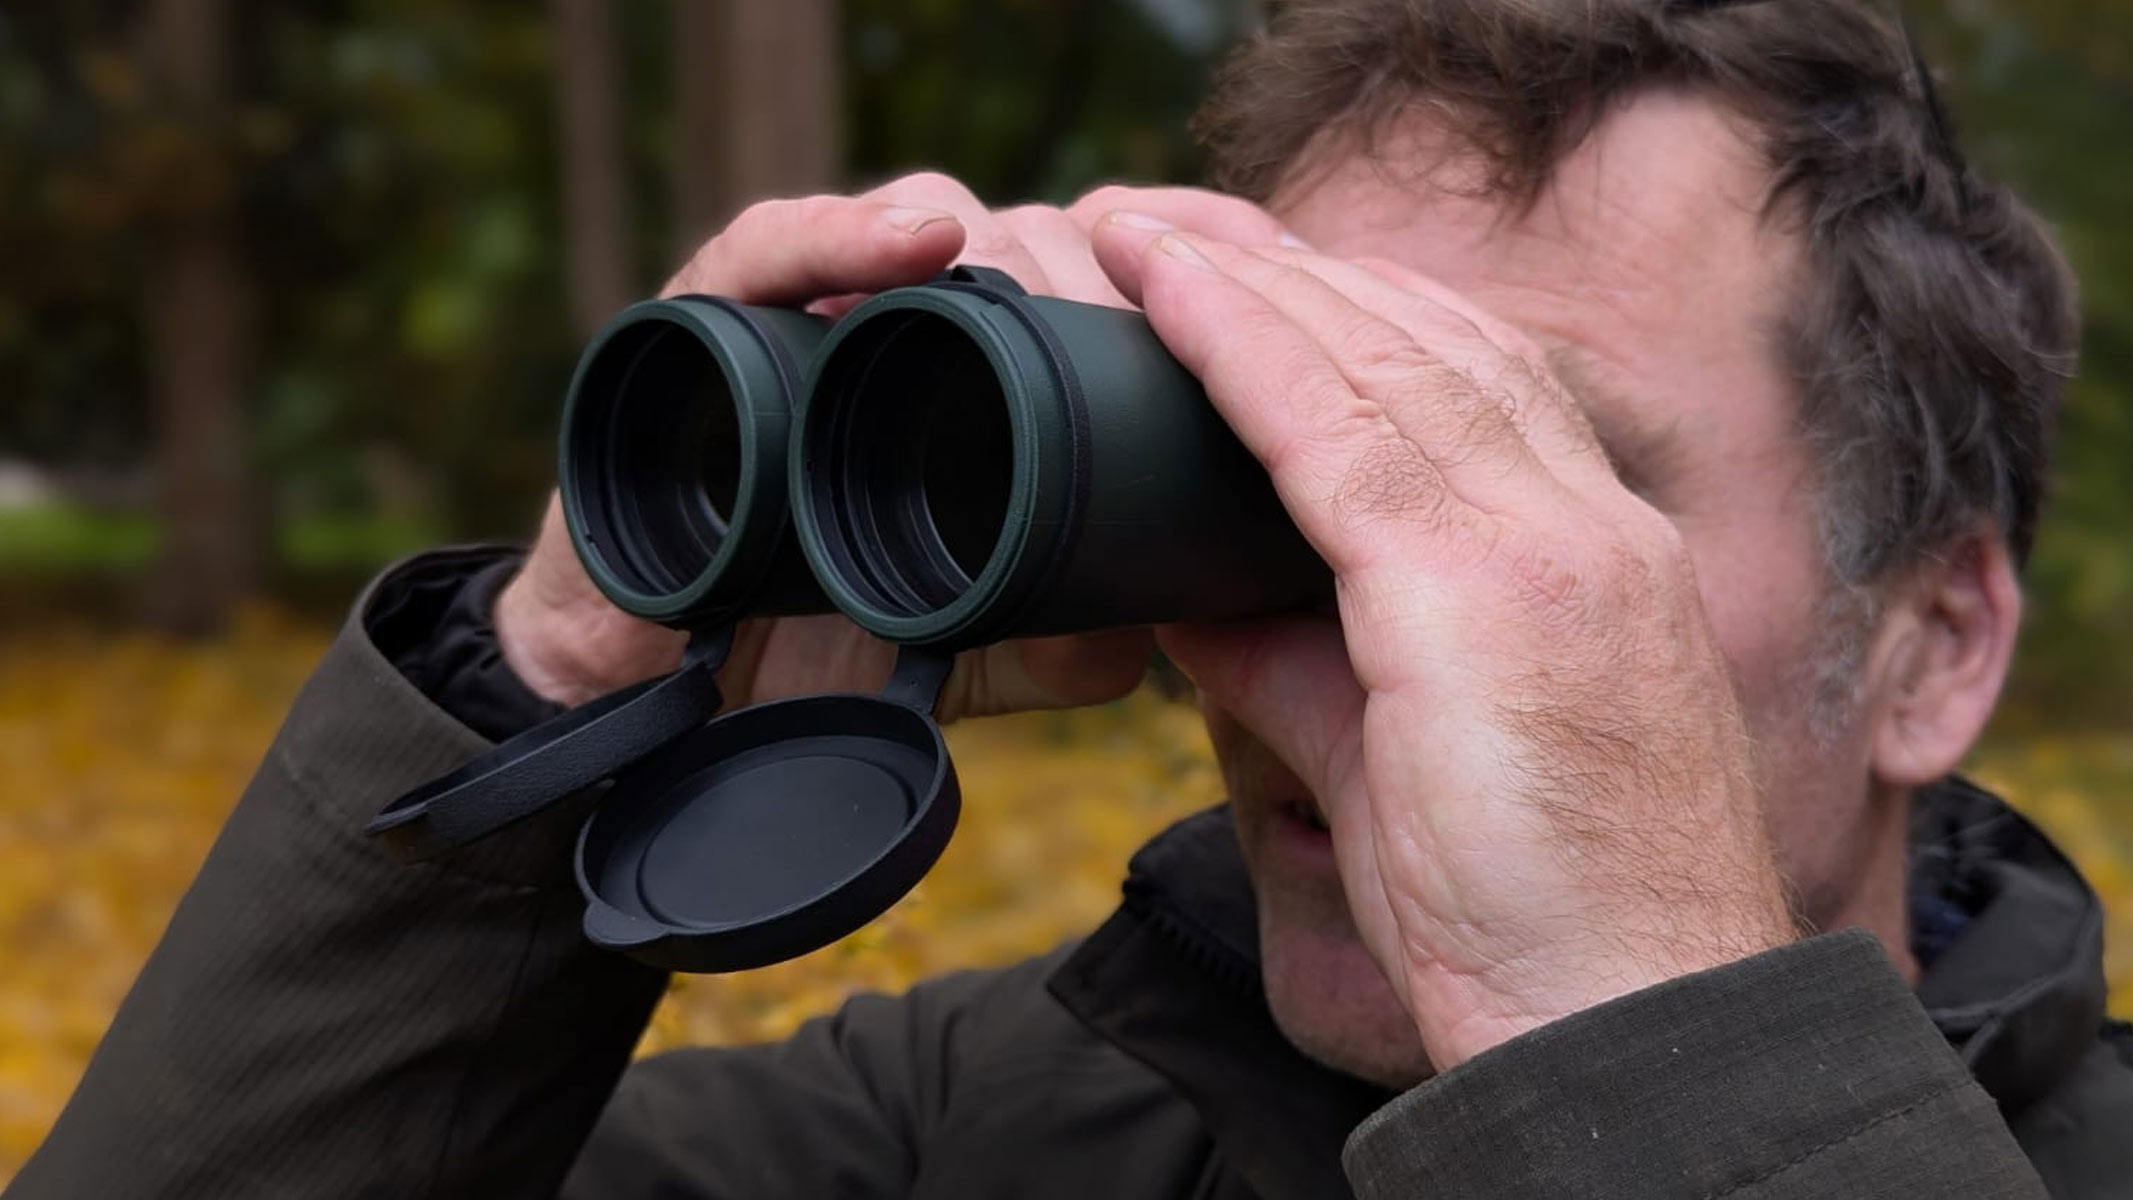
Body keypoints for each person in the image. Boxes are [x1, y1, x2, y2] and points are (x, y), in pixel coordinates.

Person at [12, 0, 2130, 1196]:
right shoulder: (968, 1141)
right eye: (1255, 453)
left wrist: (1652, 1060)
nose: (1372, 592)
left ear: (1934, 640)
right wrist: (558, 701)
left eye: (1527, 464)